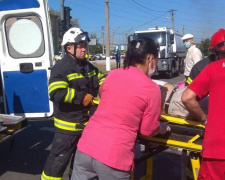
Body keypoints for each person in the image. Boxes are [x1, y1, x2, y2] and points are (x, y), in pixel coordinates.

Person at [71, 37, 170, 180]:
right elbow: (147, 130)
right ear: (150, 58)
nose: (156, 64)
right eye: (156, 60)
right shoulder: (151, 88)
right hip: (114, 156)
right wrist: (162, 128)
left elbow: (103, 94)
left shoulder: (113, 74)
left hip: (86, 147)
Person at [41, 27, 105, 180]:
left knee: (79, 166)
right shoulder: (61, 68)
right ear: (69, 48)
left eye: (84, 45)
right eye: (80, 46)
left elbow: (101, 80)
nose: (84, 49)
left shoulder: (88, 67)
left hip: (85, 127)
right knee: (56, 166)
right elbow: (56, 92)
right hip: (67, 129)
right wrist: (82, 98)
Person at [181, 28, 225, 179]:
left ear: (214, 51)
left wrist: (204, 118)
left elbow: (186, 97)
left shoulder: (211, 68)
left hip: (218, 150)